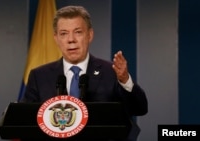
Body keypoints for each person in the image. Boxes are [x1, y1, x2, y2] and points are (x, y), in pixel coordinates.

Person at [20, 5, 148, 141]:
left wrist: (125, 81)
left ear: (90, 35)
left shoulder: (111, 72)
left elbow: (139, 109)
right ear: (56, 38)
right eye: (63, 33)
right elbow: (25, 121)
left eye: (78, 32)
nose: (71, 40)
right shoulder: (39, 76)